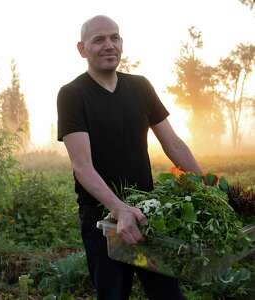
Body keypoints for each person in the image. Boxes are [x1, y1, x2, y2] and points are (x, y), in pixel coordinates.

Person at [57, 15, 202, 300]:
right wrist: (119, 209)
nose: (109, 45)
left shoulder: (140, 87)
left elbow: (173, 144)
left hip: (147, 214)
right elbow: (82, 166)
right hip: (103, 219)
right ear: (82, 48)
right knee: (113, 294)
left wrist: (208, 186)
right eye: (99, 39)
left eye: (115, 37)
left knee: (168, 294)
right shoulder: (73, 94)